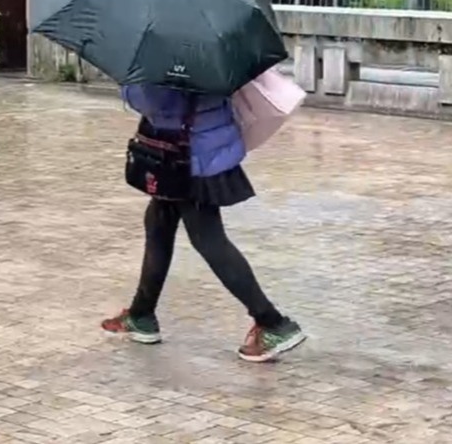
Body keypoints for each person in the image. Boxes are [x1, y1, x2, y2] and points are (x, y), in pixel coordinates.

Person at [101, 84, 305, 362]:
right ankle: (141, 314)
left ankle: (272, 322)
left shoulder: (167, 65)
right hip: (204, 145)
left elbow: (150, 101)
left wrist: (128, 87)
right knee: (159, 222)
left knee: (208, 239)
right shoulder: (210, 63)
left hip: (187, 157)